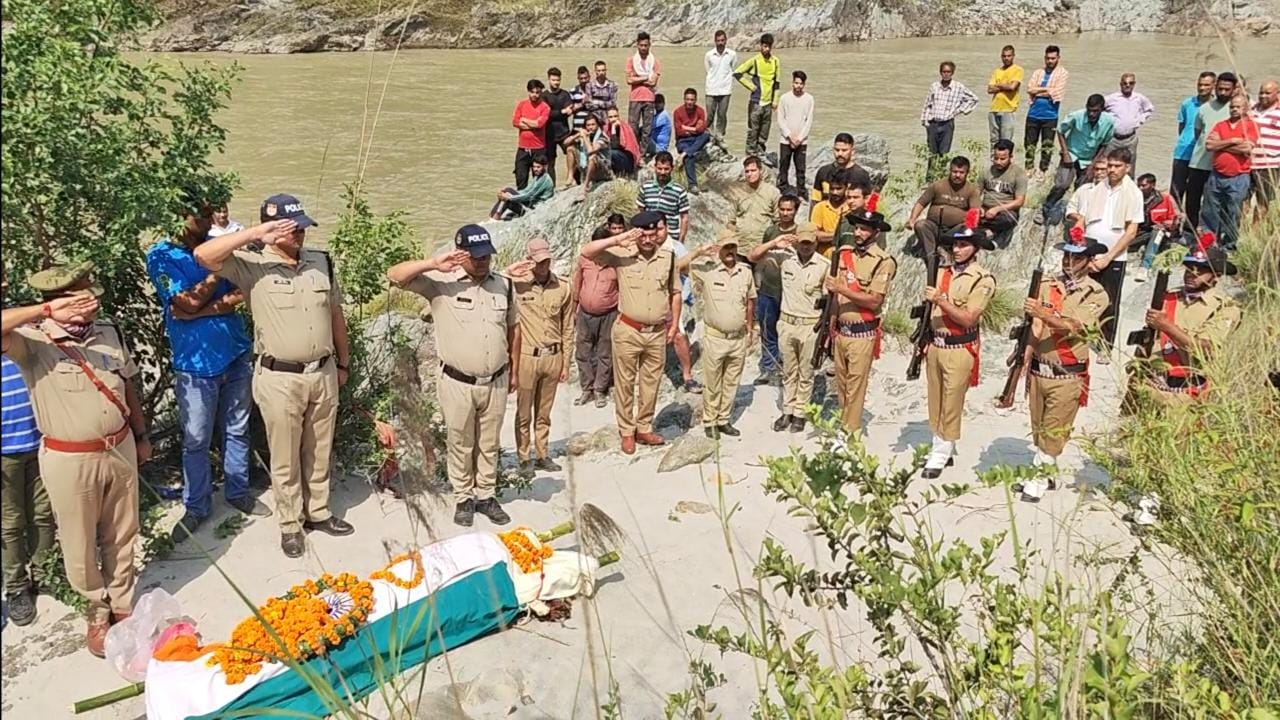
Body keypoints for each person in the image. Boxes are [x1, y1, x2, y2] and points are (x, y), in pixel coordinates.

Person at [2, 262, 151, 656]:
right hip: (70, 460)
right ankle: (97, 609)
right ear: (60, 300)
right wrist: (46, 314)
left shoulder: (108, 333)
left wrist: (141, 435)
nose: (93, 302)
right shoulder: (32, 341)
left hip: (118, 447)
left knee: (122, 532)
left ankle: (122, 603)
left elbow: (127, 386)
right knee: (79, 541)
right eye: (83, 297)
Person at [195, 195, 355, 558]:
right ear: (272, 229)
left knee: (319, 448)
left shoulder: (320, 262)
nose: (300, 233)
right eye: (291, 227)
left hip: (323, 372)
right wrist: (257, 233)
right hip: (279, 377)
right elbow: (204, 256)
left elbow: (335, 316)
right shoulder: (251, 264)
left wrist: (343, 363)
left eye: (302, 226)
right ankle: (290, 523)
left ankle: (318, 511)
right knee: (284, 455)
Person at [147, 195, 267, 548]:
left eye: (208, 211)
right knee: (196, 440)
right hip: (195, 364)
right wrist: (216, 275)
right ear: (179, 216)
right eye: (198, 213)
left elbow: (241, 293)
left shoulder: (218, 246)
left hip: (235, 352)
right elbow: (182, 302)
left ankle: (238, 491)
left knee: (238, 428)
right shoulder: (162, 255)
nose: (208, 217)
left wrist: (201, 308)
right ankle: (197, 506)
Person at [387, 225, 518, 527]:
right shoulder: (441, 284)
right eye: (476, 256)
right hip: (457, 381)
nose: (484, 261)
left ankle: (486, 494)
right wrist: (432, 264)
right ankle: (463, 497)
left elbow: (513, 328)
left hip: (496, 379)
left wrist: (512, 369)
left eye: (487, 255)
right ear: (462, 255)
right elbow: (394, 276)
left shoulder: (504, 285)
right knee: (460, 440)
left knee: (489, 441)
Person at [1015, 233, 1108, 501]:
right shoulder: (1047, 285)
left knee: (1054, 429)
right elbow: (1036, 325)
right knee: (1039, 427)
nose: (1069, 261)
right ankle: (1048, 471)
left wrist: (1043, 313)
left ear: (1089, 261)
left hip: (1067, 371)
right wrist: (1025, 356)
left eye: (1076, 257)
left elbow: (1074, 326)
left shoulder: (1096, 294)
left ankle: (1037, 479)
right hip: (1040, 367)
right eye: (1067, 255)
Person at [580, 212, 680, 455]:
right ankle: (626, 431)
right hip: (628, 329)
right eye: (642, 233)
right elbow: (587, 251)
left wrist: (674, 323)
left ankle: (644, 427)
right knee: (625, 383)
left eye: (651, 233)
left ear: (658, 233)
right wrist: (619, 239)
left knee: (651, 383)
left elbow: (674, 291)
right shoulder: (622, 255)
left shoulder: (668, 257)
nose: (647, 238)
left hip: (656, 332)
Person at [1124, 236, 1240, 410]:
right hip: (1151, 382)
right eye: (1189, 268)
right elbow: (1149, 341)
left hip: (1186, 391)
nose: (1192, 274)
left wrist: (1167, 327)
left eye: (1200, 270)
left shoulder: (1224, 308)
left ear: (1215, 275)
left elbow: (1206, 348)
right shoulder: (1168, 297)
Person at [920, 227, 996, 479]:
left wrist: (941, 300)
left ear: (975, 248)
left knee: (952, 401)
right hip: (936, 344)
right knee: (935, 397)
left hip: (959, 346)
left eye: (963, 245)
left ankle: (941, 450)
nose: (957, 250)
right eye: (955, 245)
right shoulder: (941, 273)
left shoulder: (982, 279)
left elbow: (969, 318)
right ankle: (942, 444)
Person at [1, 287, 52, 628]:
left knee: (44, 513)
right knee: (10, 522)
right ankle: (17, 587)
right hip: (4, 450)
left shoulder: (19, 322)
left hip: (40, 438)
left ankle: (46, 571)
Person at [747, 225, 828, 433]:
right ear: (797, 242)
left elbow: (828, 299)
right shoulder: (785, 259)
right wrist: (775, 243)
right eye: (802, 242)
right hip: (787, 323)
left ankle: (800, 413)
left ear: (815, 243)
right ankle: (787, 410)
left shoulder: (824, 265)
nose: (806, 247)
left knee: (806, 372)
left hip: (810, 325)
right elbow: (753, 257)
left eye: (810, 243)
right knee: (788, 371)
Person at [823, 201, 895, 433]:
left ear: (875, 232)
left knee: (855, 385)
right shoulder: (844, 256)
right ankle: (847, 425)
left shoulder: (883, 262)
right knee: (842, 385)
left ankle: (849, 431)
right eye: (856, 228)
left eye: (864, 229)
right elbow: (835, 299)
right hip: (842, 330)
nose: (858, 233)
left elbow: (875, 300)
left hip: (862, 331)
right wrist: (830, 329)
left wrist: (843, 289)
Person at [1066, 148, 1144, 358]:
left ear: (1127, 168)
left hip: (1114, 256)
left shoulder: (1133, 193)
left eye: (1117, 166)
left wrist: (1108, 257)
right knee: (1083, 294)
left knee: (1109, 301)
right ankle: (1079, 335)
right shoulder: (1096, 189)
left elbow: (1131, 231)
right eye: (1110, 165)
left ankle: (1104, 345)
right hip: (1090, 252)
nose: (1112, 170)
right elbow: (1082, 218)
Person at [505, 239, 573, 479]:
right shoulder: (517, 285)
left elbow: (567, 328)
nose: (543, 265)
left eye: (546, 260)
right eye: (538, 260)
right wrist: (509, 271)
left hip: (553, 355)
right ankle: (523, 456)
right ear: (529, 259)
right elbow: (490, 282)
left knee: (544, 412)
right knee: (524, 411)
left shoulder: (563, 287)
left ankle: (542, 453)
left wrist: (566, 363)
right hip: (527, 356)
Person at [680, 234, 756, 438]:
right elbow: (677, 267)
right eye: (726, 248)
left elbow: (750, 300)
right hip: (715, 337)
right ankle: (710, 421)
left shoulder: (745, 272)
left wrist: (750, 328)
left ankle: (724, 419)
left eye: (733, 247)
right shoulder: (706, 271)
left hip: (738, 338)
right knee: (712, 382)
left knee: (732, 382)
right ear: (719, 249)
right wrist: (698, 251)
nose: (730, 251)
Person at [755, 196, 811, 385]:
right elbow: (757, 255)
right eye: (782, 209)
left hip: (792, 292)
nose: (785, 213)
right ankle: (768, 366)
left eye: (789, 210)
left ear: (796, 211)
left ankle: (787, 367)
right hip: (769, 288)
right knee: (767, 328)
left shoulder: (800, 233)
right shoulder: (771, 231)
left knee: (788, 331)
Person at [573, 218, 623, 409]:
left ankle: (600, 390)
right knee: (583, 352)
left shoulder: (616, 263)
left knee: (605, 353)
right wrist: (573, 309)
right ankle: (586, 389)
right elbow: (576, 284)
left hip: (608, 314)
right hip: (584, 313)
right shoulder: (584, 260)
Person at [1203, 94, 1260, 250]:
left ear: (1246, 108)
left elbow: (1247, 148)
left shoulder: (1251, 126)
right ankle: (1209, 243)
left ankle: (1229, 245)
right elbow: (1209, 146)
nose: (1234, 109)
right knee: (1210, 210)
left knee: (1233, 212)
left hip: (1239, 176)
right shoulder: (1221, 124)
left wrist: (1220, 144)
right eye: (1232, 107)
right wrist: (1233, 141)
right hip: (1216, 174)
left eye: (1238, 107)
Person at [1043, 94, 1116, 214]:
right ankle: (1046, 207)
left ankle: (1074, 212)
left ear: (1102, 109)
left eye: (1095, 111)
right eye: (1089, 110)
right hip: (1071, 154)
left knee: (1083, 188)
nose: (1092, 114)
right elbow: (1060, 131)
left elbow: (1104, 144)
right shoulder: (1076, 116)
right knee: (1062, 184)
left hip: (1088, 159)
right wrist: (1065, 153)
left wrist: (1094, 164)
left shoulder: (1109, 122)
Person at [905, 156, 981, 264]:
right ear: (950, 170)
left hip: (955, 231)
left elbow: (975, 212)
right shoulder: (938, 185)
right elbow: (921, 203)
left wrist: (970, 227)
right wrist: (912, 219)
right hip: (934, 227)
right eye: (954, 172)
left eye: (961, 172)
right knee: (920, 225)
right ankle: (932, 255)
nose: (957, 175)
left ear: (967, 173)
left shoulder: (972, 190)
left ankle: (949, 249)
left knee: (964, 228)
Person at [1186, 72, 1238, 229]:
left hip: (1221, 167)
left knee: (1218, 204)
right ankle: (1190, 233)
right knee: (1192, 200)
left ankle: (1217, 236)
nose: (1222, 92)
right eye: (1220, 88)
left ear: (1234, 89)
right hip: (1199, 161)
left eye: (1226, 89)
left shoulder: (1236, 110)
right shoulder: (1204, 108)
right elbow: (1198, 134)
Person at [919, 61, 978, 174]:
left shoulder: (958, 87)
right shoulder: (935, 86)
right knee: (932, 153)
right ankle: (930, 178)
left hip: (947, 124)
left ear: (952, 73)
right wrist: (925, 121)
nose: (946, 74)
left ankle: (941, 175)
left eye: (948, 72)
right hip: (933, 123)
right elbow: (927, 104)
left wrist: (960, 110)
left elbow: (974, 99)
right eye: (944, 72)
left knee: (944, 153)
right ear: (940, 72)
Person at [1171, 72, 1217, 204]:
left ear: (1214, 85)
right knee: (1176, 191)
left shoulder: (1216, 106)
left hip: (1203, 155)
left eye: (1206, 85)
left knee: (1197, 192)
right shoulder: (1187, 103)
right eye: (1200, 84)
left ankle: (1192, 223)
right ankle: (1173, 221)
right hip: (1183, 152)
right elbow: (1182, 126)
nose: (1202, 88)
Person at [1023, 45, 1069, 175]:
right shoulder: (1038, 72)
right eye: (1048, 58)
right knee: (1029, 144)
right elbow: (1029, 89)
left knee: (1047, 146)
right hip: (1033, 113)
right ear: (1044, 58)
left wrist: (1038, 90)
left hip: (1050, 116)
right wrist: (1048, 89)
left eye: (1053, 58)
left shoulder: (1063, 73)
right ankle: (1029, 169)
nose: (1050, 61)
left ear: (1058, 58)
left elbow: (1057, 93)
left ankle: (1043, 171)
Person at [735, 33, 781, 157]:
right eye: (764, 46)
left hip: (768, 102)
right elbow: (737, 73)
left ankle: (761, 149)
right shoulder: (755, 60)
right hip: (756, 102)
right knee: (753, 129)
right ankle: (750, 153)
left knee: (765, 129)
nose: (766, 49)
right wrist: (750, 86)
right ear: (760, 46)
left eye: (769, 47)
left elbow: (777, 83)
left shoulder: (775, 62)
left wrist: (775, 101)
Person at [976, 139, 1028, 244]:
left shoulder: (1019, 174)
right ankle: (985, 229)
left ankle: (986, 229)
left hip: (1005, 211)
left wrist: (997, 209)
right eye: (995, 158)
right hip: (985, 209)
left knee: (1008, 220)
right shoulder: (986, 171)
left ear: (1011, 157)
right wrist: (978, 207)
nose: (998, 162)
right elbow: (976, 192)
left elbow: (1019, 201)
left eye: (1003, 159)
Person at [729, 155, 782, 256]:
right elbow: (730, 222)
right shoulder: (737, 193)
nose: (750, 174)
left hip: (763, 248)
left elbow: (779, 221)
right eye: (747, 171)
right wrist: (736, 233)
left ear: (760, 171)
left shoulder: (772, 192)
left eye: (753, 170)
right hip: (741, 248)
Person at [1103, 73, 1155, 175]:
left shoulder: (1139, 98)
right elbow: (1100, 109)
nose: (1127, 85)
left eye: (1130, 83)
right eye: (1125, 83)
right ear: (1120, 84)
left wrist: (1140, 120)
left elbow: (1149, 109)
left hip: (1130, 139)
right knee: (1107, 165)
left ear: (1134, 84)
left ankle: (1128, 189)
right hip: (1112, 139)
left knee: (1129, 168)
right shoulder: (1111, 98)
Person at [1133, 173, 1180, 282]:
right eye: (1138, 185)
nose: (1140, 188)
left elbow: (1174, 219)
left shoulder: (1164, 199)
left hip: (1160, 232)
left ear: (1152, 185)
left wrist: (1164, 224)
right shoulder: (1134, 198)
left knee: (1157, 233)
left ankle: (1145, 267)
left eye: (1143, 186)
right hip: (1139, 232)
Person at [638, 151, 691, 244]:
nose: (662, 172)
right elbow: (640, 212)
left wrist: (680, 241)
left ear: (672, 168)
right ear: (655, 167)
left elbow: (684, 218)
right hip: (649, 238)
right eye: (660, 168)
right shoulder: (646, 187)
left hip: (671, 238)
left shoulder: (679, 191)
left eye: (666, 169)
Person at [777, 70, 814, 197]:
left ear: (804, 85)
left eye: (801, 83)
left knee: (800, 168)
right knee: (784, 165)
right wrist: (789, 136)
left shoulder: (809, 99)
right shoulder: (784, 98)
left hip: (801, 140)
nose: (798, 86)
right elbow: (780, 119)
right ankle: (782, 188)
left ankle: (801, 192)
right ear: (792, 83)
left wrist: (800, 138)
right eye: (796, 83)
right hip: (786, 139)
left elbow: (809, 120)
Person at [625, 32, 662, 158]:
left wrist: (637, 78)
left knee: (647, 129)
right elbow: (628, 80)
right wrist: (646, 77)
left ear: (649, 45)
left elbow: (653, 82)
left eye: (646, 45)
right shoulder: (631, 61)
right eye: (641, 45)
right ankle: (633, 152)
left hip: (649, 98)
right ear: (637, 45)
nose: (643, 48)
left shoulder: (655, 62)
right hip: (635, 98)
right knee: (632, 128)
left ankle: (642, 153)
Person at [811, 133, 873, 206]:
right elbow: (815, 200)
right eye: (837, 150)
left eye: (844, 150)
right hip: (826, 214)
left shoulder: (861, 175)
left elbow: (868, 202)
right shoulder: (823, 172)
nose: (840, 154)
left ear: (852, 151)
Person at [512, 78, 550, 190]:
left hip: (538, 149)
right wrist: (532, 124)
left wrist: (524, 120)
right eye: (532, 92)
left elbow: (539, 124)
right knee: (520, 176)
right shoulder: (522, 105)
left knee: (538, 180)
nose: (535, 95)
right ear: (528, 92)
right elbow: (515, 122)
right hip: (523, 148)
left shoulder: (545, 107)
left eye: (537, 92)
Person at [491, 153, 554, 220]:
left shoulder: (545, 180)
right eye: (534, 167)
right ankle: (493, 216)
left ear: (545, 166)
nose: (535, 169)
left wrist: (509, 198)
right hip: (530, 204)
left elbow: (529, 196)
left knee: (508, 199)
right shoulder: (538, 177)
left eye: (538, 167)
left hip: (534, 210)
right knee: (507, 190)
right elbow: (526, 190)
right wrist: (508, 194)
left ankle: (494, 217)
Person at [987, 45, 1024, 152]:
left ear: (1013, 56)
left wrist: (998, 85)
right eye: (1004, 56)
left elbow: (1013, 87)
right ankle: (993, 163)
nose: (1006, 58)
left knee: (1006, 142)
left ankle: (1006, 166)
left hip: (1008, 110)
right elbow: (989, 89)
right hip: (994, 109)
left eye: (1009, 56)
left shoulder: (1018, 70)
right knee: (994, 140)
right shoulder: (997, 71)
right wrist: (1005, 85)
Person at [673, 88, 711, 192]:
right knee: (690, 157)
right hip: (683, 140)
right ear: (684, 99)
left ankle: (684, 153)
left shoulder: (700, 111)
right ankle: (692, 185)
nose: (689, 102)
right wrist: (693, 129)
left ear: (695, 100)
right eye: (687, 99)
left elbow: (701, 129)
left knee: (706, 135)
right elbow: (679, 131)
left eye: (692, 100)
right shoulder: (677, 112)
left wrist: (687, 128)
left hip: (696, 138)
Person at [1251, 79, 1280, 213]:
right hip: (1248, 163)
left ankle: (1256, 232)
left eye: (1268, 93)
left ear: (1277, 94)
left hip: (1270, 165)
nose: (1263, 96)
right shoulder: (1251, 110)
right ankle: (1241, 231)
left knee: (1263, 202)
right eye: (1261, 93)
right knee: (1243, 201)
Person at [542, 67, 574, 185]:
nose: (556, 82)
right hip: (549, 133)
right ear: (549, 80)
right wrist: (561, 112)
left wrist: (567, 111)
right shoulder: (544, 96)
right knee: (551, 161)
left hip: (564, 132)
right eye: (553, 80)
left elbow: (569, 108)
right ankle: (552, 186)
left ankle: (571, 178)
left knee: (572, 151)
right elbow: (546, 114)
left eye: (558, 80)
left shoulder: (565, 94)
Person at [563, 66, 594, 185]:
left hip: (591, 127)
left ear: (589, 77)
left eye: (586, 78)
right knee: (571, 150)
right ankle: (571, 178)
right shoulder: (573, 92)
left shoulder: (594, 89)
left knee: (589, 152)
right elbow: (570, 109)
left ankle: (589, 178)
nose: (584, 80)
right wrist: (582, 103)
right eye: (581, 78)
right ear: (578, 78)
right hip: (577, 128)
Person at [704, 30, 737, 139]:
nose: (720, 43)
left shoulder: (732, 54)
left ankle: (720, 136)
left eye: (722, 40)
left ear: (726, 40)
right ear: (715, 41)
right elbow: (708, 70)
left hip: (725, 90)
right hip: (711, 89)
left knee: (722, 115)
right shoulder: (709, 55)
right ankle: (709, 136)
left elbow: (733, 69)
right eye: (718, 40)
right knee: (709, 115)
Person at [810, 171, 851, 252]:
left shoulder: (851, 208)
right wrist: (840, 235)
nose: (835, 192)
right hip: (824, 257)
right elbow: (814, 234)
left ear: (846, 188)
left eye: (839, 189)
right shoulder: (820, 207)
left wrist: (827, 235)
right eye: (832, 189)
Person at [570, 114, 606, 187]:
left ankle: (585, 185)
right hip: (586, 165)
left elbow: (591, 151)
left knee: (592, 157)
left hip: (602, 169)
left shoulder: (602, 137)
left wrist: (585, 138)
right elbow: (565, 143)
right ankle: (570, 177)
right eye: (588, 125)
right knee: (570, 149)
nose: (591, 127)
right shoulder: (586, 135)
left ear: (597, 125)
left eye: (593, 124)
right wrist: (577, 135)